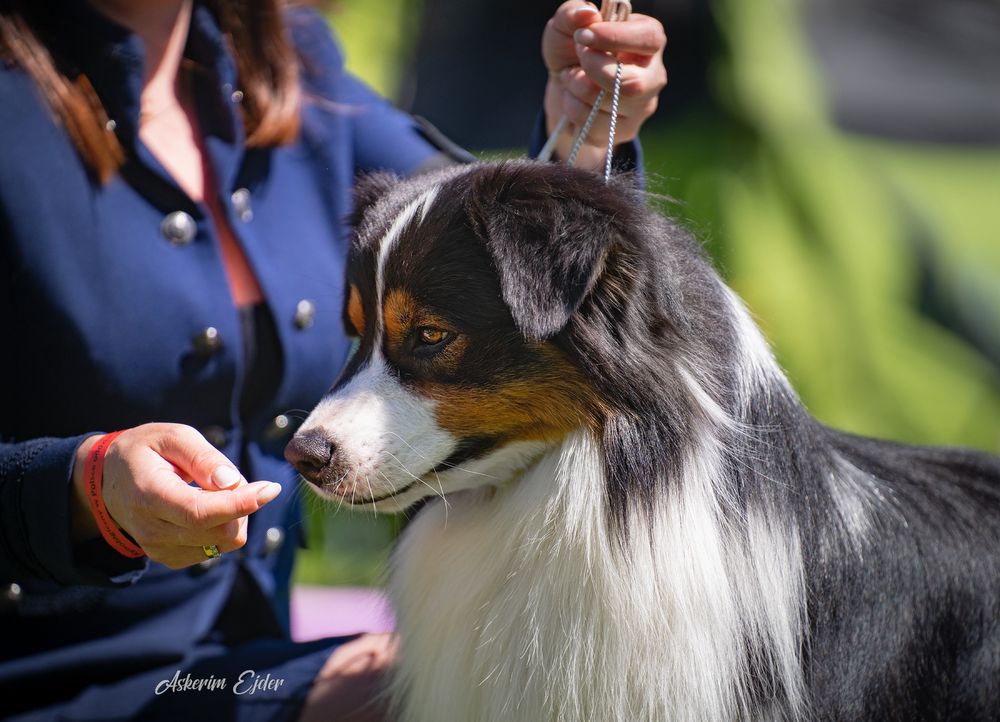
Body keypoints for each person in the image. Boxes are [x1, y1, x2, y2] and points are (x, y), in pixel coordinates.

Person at [0, 0, 667, 719]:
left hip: (253, 671)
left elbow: (499, 277)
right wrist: (84, 487)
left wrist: (585, 128)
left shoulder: (288, 55)